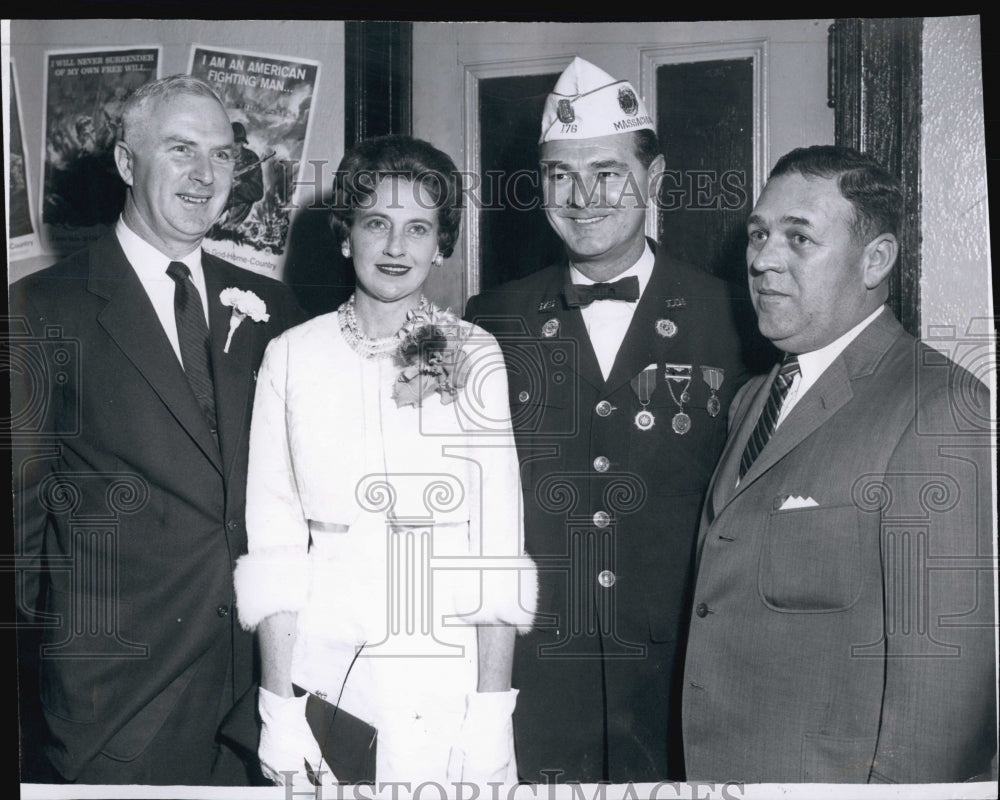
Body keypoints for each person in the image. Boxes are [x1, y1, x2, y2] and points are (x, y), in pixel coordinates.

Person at [9, 74, 305, 785]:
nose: (206, 175)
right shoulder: (42, 311)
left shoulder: (272, 305)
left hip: (259, 695)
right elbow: (16, 535)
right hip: (117, 703)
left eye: (224, 154)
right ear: (124, 162)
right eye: (180, 149)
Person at [464, 57, 751, 783]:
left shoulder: (735, 319)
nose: (582, 196)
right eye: (560, 174)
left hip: (678, 680)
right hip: (535, 680)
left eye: (608, 171)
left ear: (654, 179)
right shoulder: (490, 320)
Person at [682, 145, 997, 782]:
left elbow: (946, 695)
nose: (763, 259)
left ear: (875, 260)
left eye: (799, 238)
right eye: (760, 234)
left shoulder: (941, 405)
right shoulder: (753, 398)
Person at [233, 134, 537, 787]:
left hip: (447, 677)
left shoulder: (472, 354)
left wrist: (492, 712)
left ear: (441, 242)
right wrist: (278, 706)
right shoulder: (291, 357)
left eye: (419, 228)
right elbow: (276, 548)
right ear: (346, 235)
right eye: (377, 224)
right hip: (325, 672)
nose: (397, 248)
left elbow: (497, 550)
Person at [220, 122, 264, 229]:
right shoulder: (218, 154)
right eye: (231, 143)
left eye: (238, 143)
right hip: (216, 196)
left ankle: (227, 230)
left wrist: (239, 185)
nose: (234, 147)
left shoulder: (251, 159)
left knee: (245, 202)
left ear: (243, 144)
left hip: (236, 200)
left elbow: (258, 192)